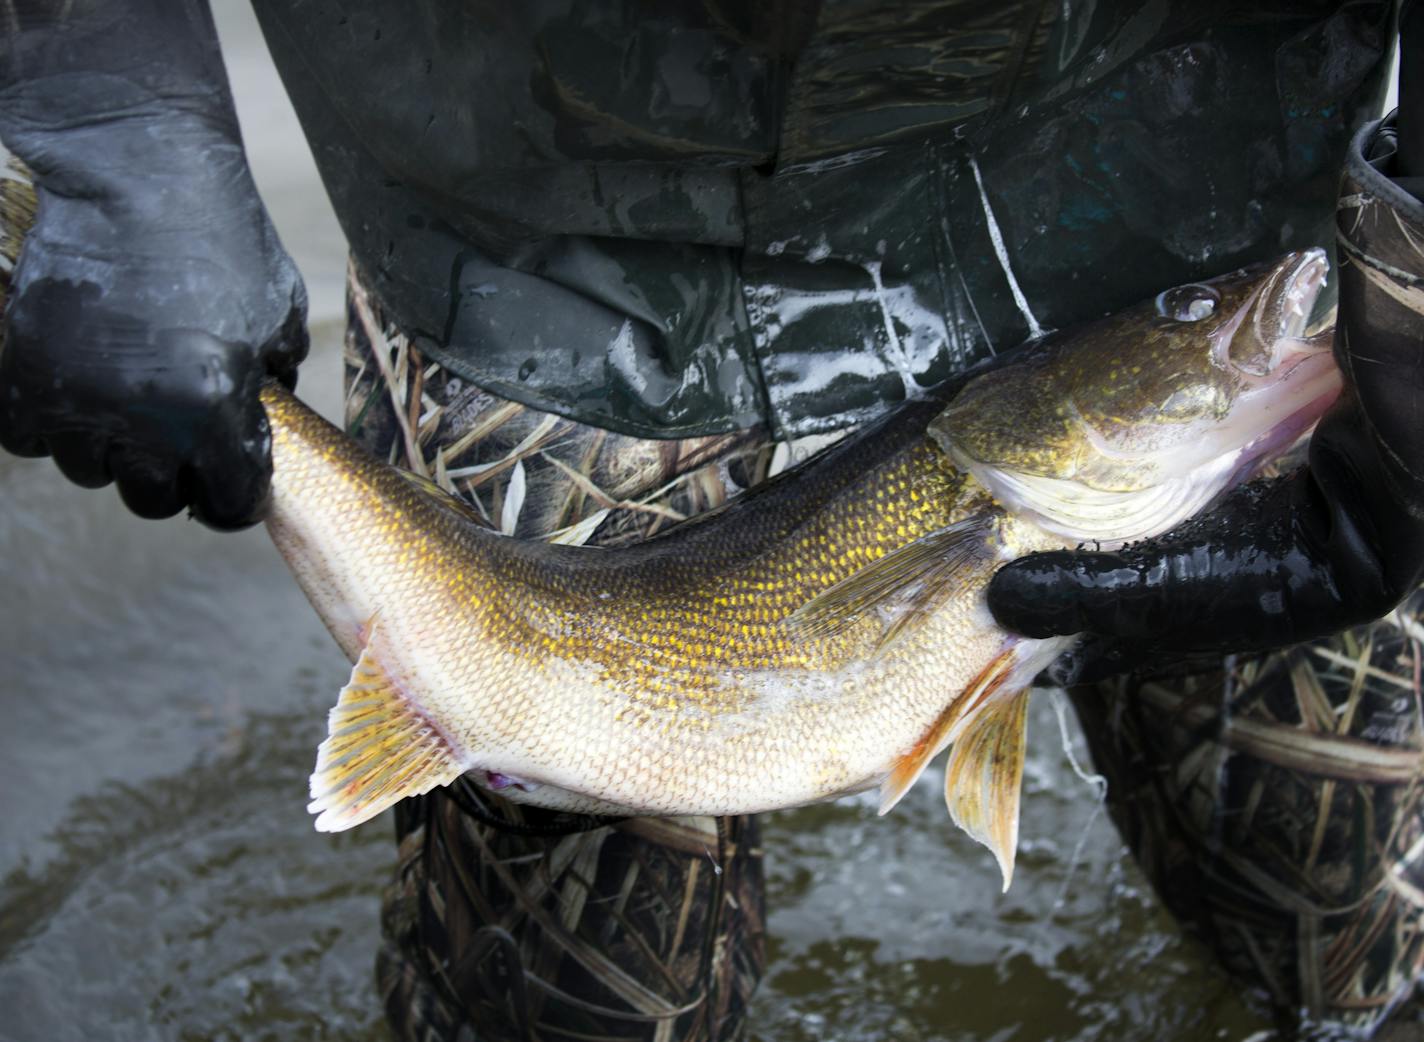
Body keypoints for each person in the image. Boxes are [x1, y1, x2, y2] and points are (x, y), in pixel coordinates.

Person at [3, 2, 1422, 1038]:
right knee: (585, 993)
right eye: (1198, 337)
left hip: (1202, 146)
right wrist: (94, 87)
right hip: (555, 216)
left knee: (1337, 882)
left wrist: (1412, 313)